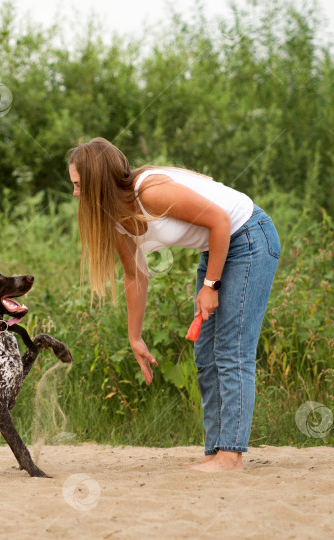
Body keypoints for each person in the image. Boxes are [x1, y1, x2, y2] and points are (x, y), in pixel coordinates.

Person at [66, 137, 280, 472]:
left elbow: (221, 221)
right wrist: (134, 337)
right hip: (218, 248)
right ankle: (216, 451)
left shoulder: (149, 191)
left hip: (249, 238)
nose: (76, 194)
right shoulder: (117, 217)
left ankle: (231, 457)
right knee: (206, 354)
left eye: (79, 185)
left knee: (231, 349)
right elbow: (136, 276)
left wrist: (211, 286)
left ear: (96, 181)